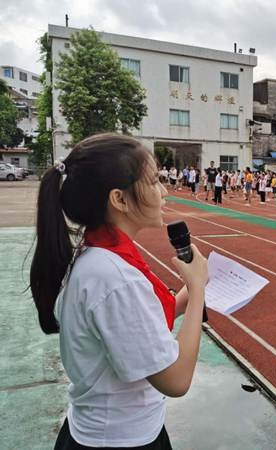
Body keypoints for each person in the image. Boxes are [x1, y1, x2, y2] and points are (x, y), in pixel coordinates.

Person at [30, 134, 208, 449]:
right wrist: (196, 290)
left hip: (105, 431)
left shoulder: (98, 256)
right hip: (119, 440)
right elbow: (176, 380)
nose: (164, 191)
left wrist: (194, 290)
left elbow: (136, 322)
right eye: (153, 181)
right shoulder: (115, 277)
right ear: (120, 199)